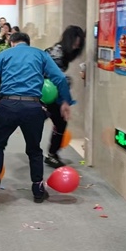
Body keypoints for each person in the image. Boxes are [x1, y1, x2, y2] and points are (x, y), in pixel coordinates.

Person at [0, 32, 73, 204]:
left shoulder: (5, 54)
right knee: (34, 150)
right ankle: (38, 190)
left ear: (12, 43)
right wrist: (65, 100)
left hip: (8, 105)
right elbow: (60, 78)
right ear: (28, 43)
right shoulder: (40, 54)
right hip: (33, 107)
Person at [43, 25, 86, 168]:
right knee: (58, 122)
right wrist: (65, 102)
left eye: (78, 45)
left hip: (45, 92)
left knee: (59, 122)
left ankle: (52, 154)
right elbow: (58, 81)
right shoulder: (58, 54)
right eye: (74, 44)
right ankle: (51, 155)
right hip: (43, 93)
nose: (75, 47)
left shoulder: (58, 51)